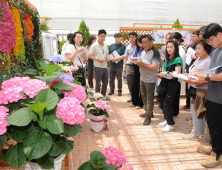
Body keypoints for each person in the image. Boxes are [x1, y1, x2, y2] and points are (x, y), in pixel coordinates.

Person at [194, 23, 222, 168]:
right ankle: (214, 147)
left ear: (220, 34)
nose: (209, 43)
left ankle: (217, 155)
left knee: (217, 126)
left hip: (220, 97)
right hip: (213, 94)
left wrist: (206, 77)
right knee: (212, 124)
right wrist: (202, 75)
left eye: (210, 40)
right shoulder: (216, 50)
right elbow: (213, 71)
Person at [182, 39, 212, 141]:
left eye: (199, 48)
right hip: (195, 89)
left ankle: (195, 135)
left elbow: (208, 80)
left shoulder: (207, 61)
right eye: (196, 48)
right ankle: (201, 131)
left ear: (206, 49)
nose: (197, 51)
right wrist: (188, 75)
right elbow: (196, 74)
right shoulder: (199, 59)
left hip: (200, 91)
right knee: (198, 113)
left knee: (196, 113)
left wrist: (191, 80)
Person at [157, 38, 182, 132]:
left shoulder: (177, 59)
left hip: (172, 84)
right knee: (163, 102)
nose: (169, 49)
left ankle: (170, 124)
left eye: (171, 47)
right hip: (164, 83)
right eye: (168, 47)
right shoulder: (168, 58)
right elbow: (166, 65)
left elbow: (177, 73)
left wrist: (165, 73)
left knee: (167, 104)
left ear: (175, 48)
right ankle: (166, 120)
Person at [137, 34, 160, 125]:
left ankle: (148, 117)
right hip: (142, 77)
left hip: (150, 79)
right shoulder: (143, 51)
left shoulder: (155, 52)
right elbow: (141, 61)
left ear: (151, 42)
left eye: (146, 42)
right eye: (143, 43)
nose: (144, 44)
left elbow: (154, 67)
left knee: (149, 98)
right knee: (144, 96)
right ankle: (148, 112)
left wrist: (142, 64)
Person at [181, 30, 200, 113]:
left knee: (195, 91)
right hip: (189, 70)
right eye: (192, 36)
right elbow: (187, 59)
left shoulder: (203, 47)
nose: (192, 38)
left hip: (197, 73)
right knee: (187, 89)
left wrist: (196, 57)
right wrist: (185, 68)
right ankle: (188, 104)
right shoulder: (190, 46)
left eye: (194, 36)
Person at [88, 29, 110, 99]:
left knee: (105, 82)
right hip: (97, 66)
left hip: (105, 66)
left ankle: (103, 95)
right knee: (98, 83)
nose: (103, 38)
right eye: (101, 36)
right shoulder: (94, 45)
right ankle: (97, 96)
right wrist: (97, 59)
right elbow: (89, 56)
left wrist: (108, 57)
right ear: (98, 36)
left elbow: (107, 53)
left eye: (104, 36)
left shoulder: (105, 44)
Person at [169, 32, 185, 116]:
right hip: (173, 76)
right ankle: (173, 112)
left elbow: (178, 66)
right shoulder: (177, 50)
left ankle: (174, 112)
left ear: (179, 40)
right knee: (173, 96)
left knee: (175, 96)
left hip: (176, 77)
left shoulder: (180, 52)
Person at [155, 32, 172, 105]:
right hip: (162, 67)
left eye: (169, 38)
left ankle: (163, 101)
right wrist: (159, 68)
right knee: (160, 84)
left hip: (169, 70)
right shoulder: (163, 47)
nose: (167, 40)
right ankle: (159, 98)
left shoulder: (172, 48)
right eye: (166, 38)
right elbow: (160, 58)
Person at [130, 35, 144, 109]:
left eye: (140, 42)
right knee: (134, 86)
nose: (139, 44)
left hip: (142, 68)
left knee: (141, 86)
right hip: (135, 68)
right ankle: (134, 101)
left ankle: (140, 103)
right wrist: (132, 60)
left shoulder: (145, 50)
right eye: (138, 43)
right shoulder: (137, 49)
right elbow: (133, 57)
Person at [123, 32, 137, 102]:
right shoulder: (128, 47)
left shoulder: (139, 47)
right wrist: (124, 67)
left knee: (136, 82)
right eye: (130, 37)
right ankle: (132, 96)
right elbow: (125, 57)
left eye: (133, 37)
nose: (132, 38)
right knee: (129, 81)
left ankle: (136, 96)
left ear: (136, 37)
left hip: (136, 66)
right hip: (128, 65)